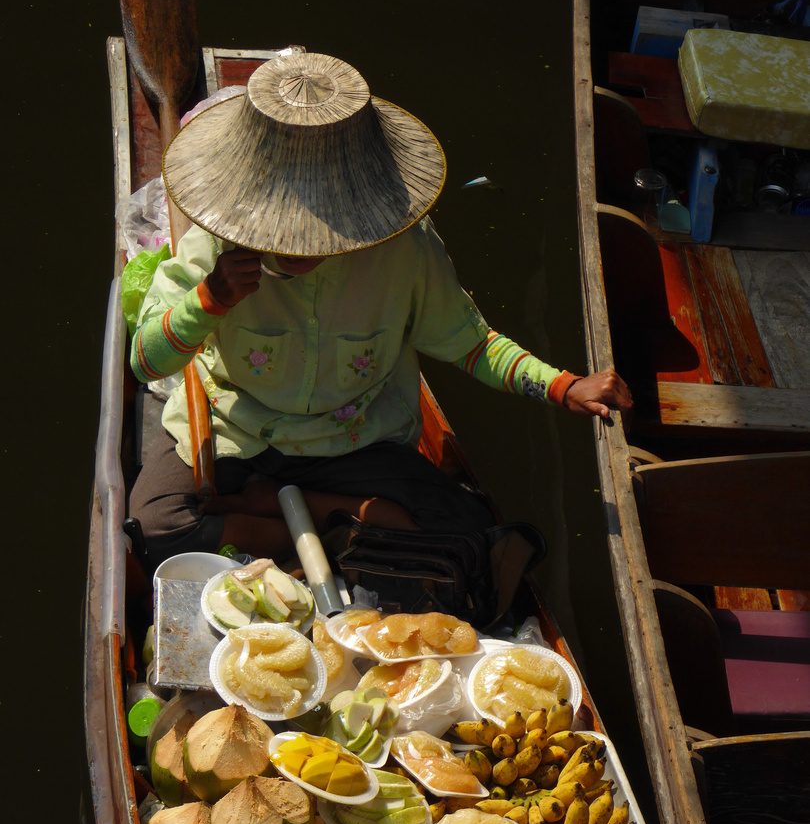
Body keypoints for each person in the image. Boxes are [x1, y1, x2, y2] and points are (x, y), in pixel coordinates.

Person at [129, 51, 631, 567]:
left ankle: (279, 511)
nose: (298, 248)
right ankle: (339, 530)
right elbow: (145, 361)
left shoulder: (404, 249)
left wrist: (562, 386)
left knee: (466, 527)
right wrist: (210, 299)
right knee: (157, 527)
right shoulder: (217, 241)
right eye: (283, 232)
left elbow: (472, 344)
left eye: (318, 233)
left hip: (354, 442)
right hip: (237, 433)